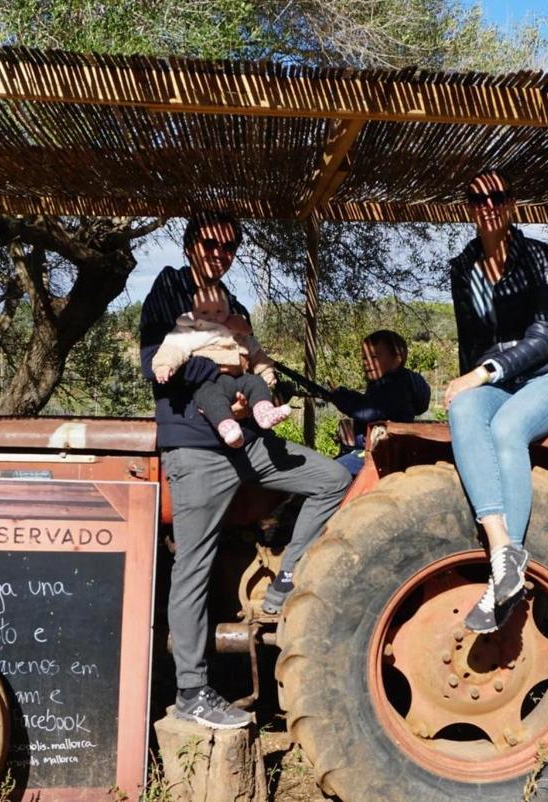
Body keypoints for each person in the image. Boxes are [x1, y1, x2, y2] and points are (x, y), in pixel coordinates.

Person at [140, 210, 351, 729]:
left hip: (249, 443)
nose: (220, 254)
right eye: (211, 245)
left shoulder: (234, 304)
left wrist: (259, 387)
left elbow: (252, 359)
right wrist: (225, 374)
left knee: (332, 479)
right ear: (191, 244)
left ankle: (284, 579)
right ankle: (191, 691)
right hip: (197, 445)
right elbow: (156, 364)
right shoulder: (168, 288)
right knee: (193, 567)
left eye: (229, 247)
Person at [444, 170, 548, 634]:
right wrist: (470, 384)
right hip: (499, 384)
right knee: (462, 409)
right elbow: (472, 340)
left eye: (497, 197)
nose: (487, 205)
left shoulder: (539, 257)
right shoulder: (463, 268)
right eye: (477, 197)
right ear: (469, 206)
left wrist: (482, 374)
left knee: (506, 429)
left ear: (512, 204)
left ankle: (504, 572)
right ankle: (503, 550)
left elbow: (542, 338)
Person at [151, 286, 292, 448]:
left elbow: (256, 353)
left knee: (256, 383)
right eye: (205, 312)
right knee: (210, 397)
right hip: (211, 382)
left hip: (239, 380)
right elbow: (173, 347)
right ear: (195, 313)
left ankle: (265, 411)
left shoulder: (236, 331)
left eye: (219, 311)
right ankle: (228, 428)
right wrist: (164, 365)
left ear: (228, 312)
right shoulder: (190, 331)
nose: (212, 316)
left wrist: (267, 372)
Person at [330, 330, 431, 476]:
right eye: (364, 358)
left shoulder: (394, 385)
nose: (367, 363)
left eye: (374, 357)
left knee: (330, 474)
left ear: (397, 360)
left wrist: (340, 396)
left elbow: (365, 411)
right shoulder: (395, 384)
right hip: (383, 450)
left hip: (381, 454)